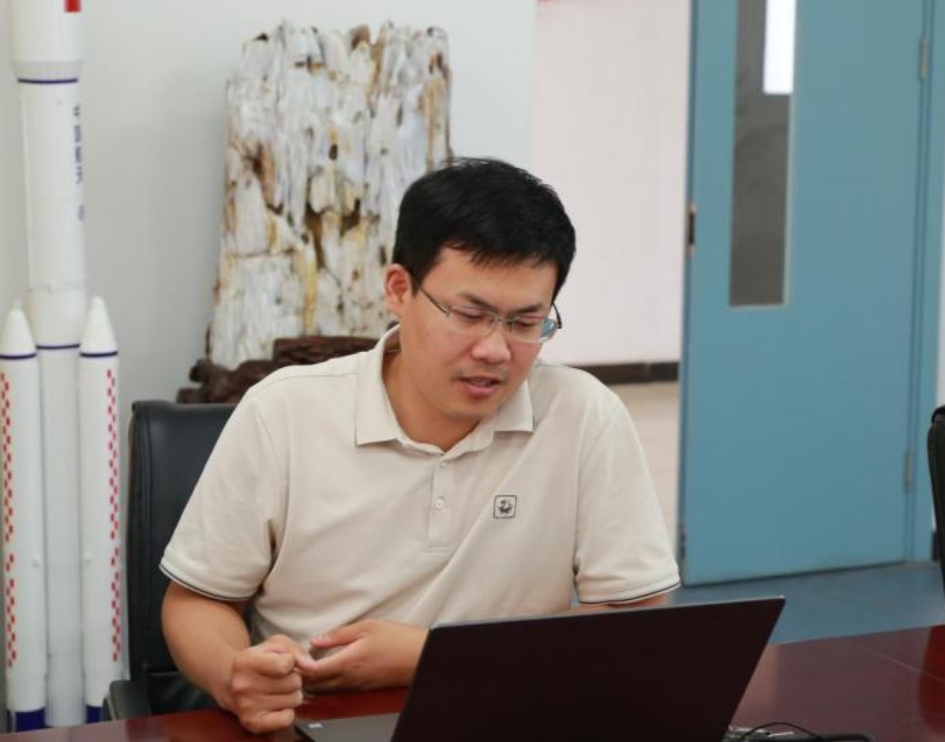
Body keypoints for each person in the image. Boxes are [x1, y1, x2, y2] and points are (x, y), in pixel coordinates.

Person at [160, 157, 680, 734]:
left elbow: (634, 627)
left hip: (515, 713)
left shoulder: (583, 415)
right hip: (318, 719)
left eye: (525, 322)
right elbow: (197, 601)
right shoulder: (284, 412)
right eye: (470, 314)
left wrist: (427, 654)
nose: (495, 350)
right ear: (399, 289)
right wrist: (234, 673)